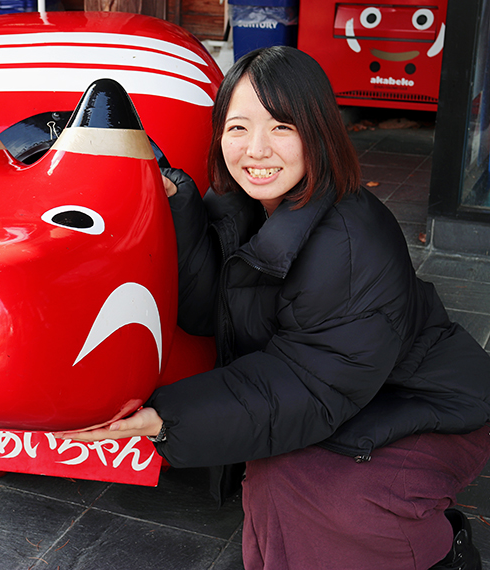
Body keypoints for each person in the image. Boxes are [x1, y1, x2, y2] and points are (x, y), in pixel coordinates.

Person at [56, 46, 490, 569]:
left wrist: (164, 417)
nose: (255, 150)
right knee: (270, 480)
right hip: (347, 391)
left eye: (282, 126)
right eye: (237, 128)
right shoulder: (238, 204)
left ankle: (442, 553)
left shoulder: (350, 239)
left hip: (426, 404)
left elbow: (312, 384)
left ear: (319, 132)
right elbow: (206, 314)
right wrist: (177, 202)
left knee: (324, 497)